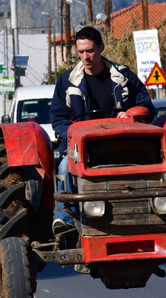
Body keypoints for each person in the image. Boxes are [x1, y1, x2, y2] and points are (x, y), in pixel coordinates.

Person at [49, 26, 155, 235]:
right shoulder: (67, 81)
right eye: (81, 52)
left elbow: (147, 107)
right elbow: (58, 118)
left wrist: (132, 116)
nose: (85, 57)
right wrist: (71, 132)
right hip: (81, 146)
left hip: (122, 143)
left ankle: (150, 212)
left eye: (89, 51)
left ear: (101, 48)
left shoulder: (124, 76)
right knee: (63, 167)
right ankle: (66, 222)